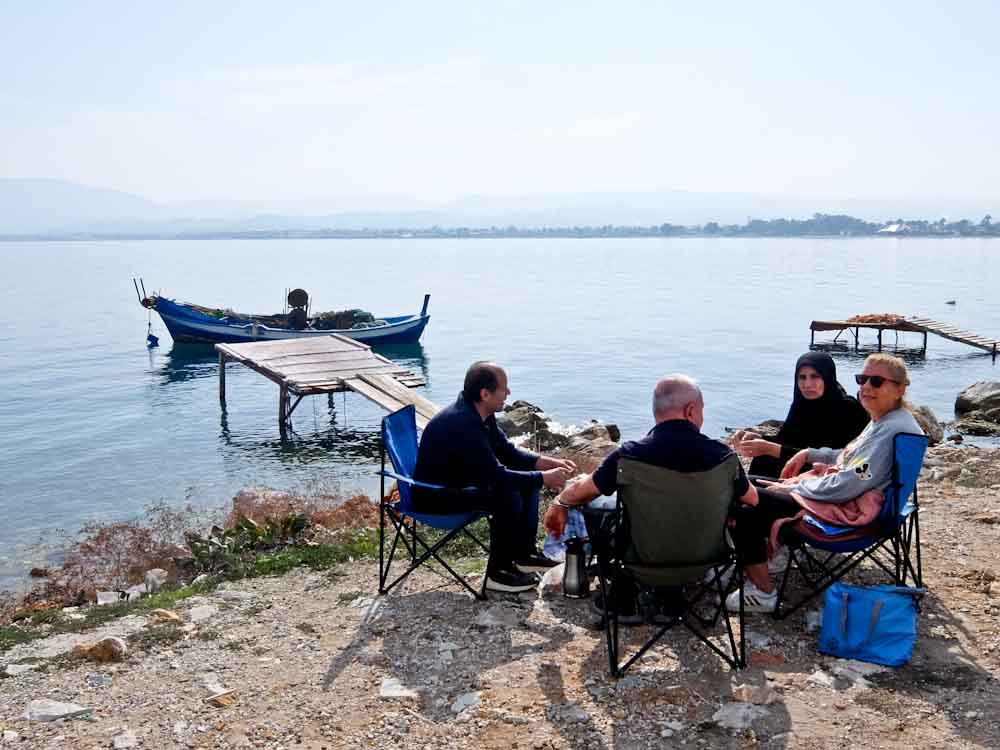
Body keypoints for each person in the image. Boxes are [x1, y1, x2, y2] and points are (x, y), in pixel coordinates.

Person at [543, 375, 758, 618]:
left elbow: (583, 491)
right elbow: (753, 500)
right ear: (690, 411)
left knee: (597, 508)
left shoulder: (628, 456)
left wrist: (559, 502)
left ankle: (622, 596)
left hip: (640, 560)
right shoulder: (724, 456)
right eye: (702, 410)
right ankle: (671, 595)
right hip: (706, 558)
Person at [727, 353, 924, 613]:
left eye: (876, 381)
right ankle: (759, 559)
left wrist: (794, 488)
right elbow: (850, 457)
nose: (865, 387)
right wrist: (810, 453)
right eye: (862, 379)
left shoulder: (890, 430)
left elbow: (854, 479)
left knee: (745, 499)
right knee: (748, 484)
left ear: (899, 389)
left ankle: (763, 591)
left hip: (845, 510)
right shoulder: (883, 422)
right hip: (842, 497)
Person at [413, 362, 576, 593]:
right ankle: (497, 573)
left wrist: (547, 463)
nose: (508, 393)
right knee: (507, 495)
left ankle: (523, 555)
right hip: (434, 496)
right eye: (504, 388)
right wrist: (543, 478)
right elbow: (495, 476)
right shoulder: (463, 424)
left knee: (525, 483)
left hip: (457, 484)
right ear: (485, 394)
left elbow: (508, 452)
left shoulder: (480, 413)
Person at [732, 352, 869, 478]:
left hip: (837, 473)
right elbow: (788, 441)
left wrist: (772, 448)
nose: (807, 384)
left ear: (827, 378)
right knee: (764, 458)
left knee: (770, 456)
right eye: (802, 377)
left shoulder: (848, 409)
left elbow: (840, 458)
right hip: (802, 465)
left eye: (815, 376)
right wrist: (759, 439)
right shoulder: (801, 404)